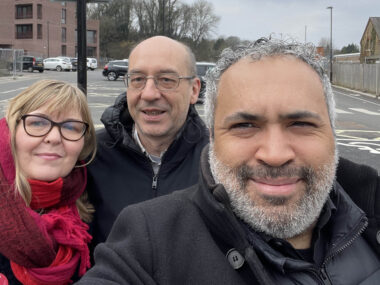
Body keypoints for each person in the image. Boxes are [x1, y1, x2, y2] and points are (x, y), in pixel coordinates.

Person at [77, 38, 380, 284]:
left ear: (332, 130)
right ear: (214, 137)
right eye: (244, 126)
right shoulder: (148, 239)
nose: (274, 155)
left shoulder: (372, 206)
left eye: (300, 123)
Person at [86, 36, 209, 247]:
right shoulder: (91, 156)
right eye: (138, 79)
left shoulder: (220, 161)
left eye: (167, 80)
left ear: (194, 90)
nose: (149, 93)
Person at [0, 79, 96, 284]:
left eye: (71, 126)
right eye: (37, 123)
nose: (54, 137)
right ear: (11, 131)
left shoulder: (95, 210)